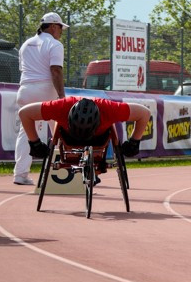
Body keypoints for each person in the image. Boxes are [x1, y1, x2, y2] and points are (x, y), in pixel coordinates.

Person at [18, 97, 151, 173]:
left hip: (98, 139)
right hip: (70, 138)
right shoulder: (61, 106)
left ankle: (95, 170)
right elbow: (24, 112)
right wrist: (34, 142)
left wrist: (134, 142)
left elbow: (145, 113)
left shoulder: (108, 108)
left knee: (110, 128)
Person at [14, 12, 67, 186]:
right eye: (60, 28)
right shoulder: (55, 44)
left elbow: (24, 69)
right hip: (45, 90)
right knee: (59, 127)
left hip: (25, 89)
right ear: (53, 26)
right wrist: (61, 96)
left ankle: (20, 174)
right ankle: (63, 172)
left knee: (26, 132)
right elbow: (56, 71)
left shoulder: (26, 44)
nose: (61, 32)